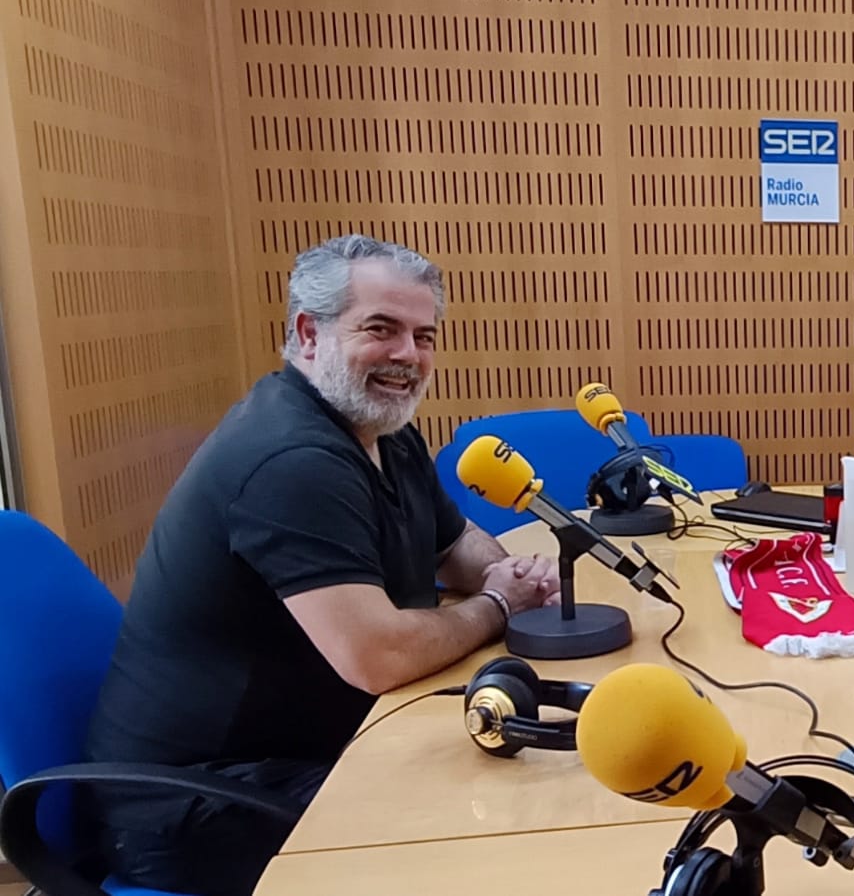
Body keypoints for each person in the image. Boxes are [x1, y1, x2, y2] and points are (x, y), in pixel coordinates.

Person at [80, 235, 563, 896]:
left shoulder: (382, 429)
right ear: (309, 333)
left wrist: (503, 576)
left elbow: (454, 546)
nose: (408, 356)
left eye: (424, 336)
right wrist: (499, 605)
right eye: (381, 329)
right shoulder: (289, 461)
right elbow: (380, 657)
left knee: (520, 772)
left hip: (305, 750)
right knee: (492, 829)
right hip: (195, 805)